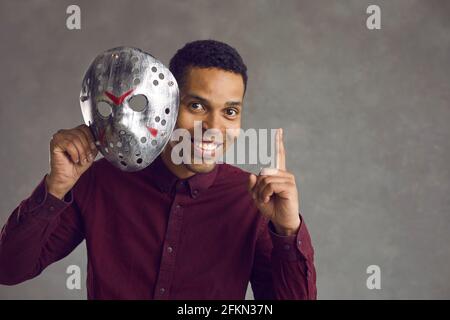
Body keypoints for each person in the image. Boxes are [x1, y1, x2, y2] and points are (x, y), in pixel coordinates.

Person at [0, 40, 316, 299]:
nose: (213, 128)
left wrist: (287, 231)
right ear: (164, 104)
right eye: (196, 106)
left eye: (230, 112)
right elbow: (9, 269)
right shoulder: (100, 181)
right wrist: (56, 188)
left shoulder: (253, 202)